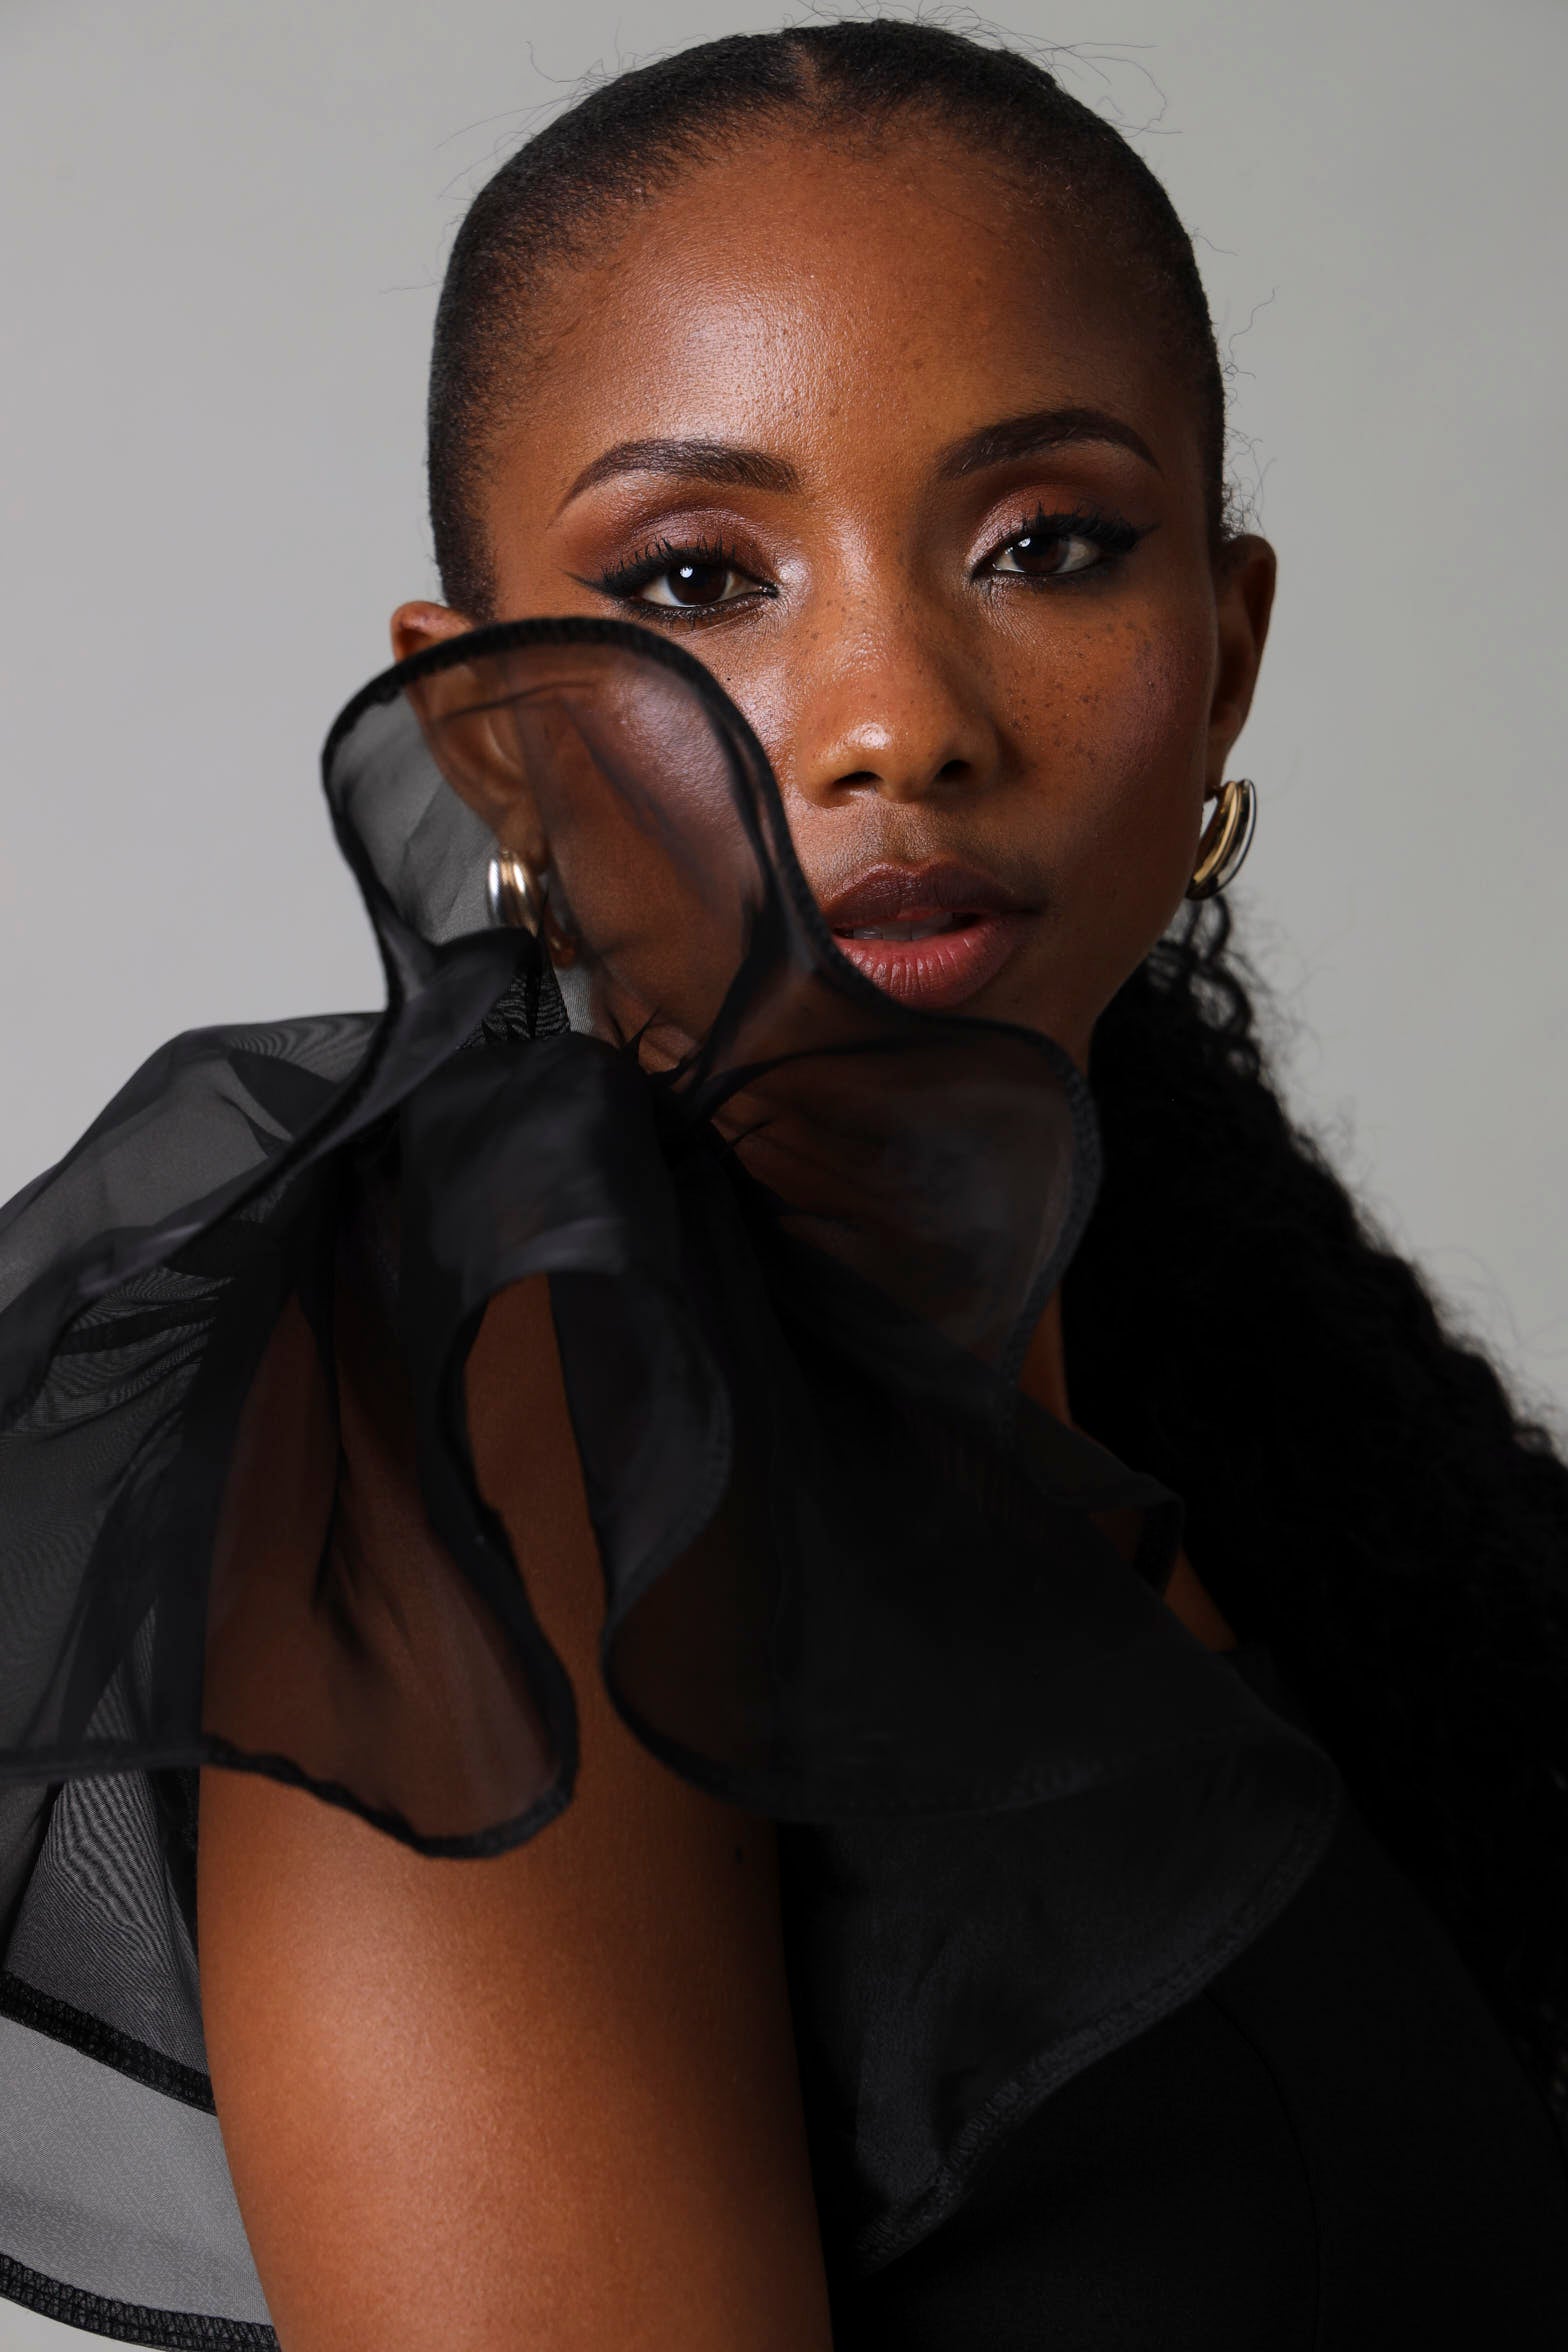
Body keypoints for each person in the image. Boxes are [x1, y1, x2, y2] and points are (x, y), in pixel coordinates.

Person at [0, 16, 1565, 2349]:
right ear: (486, 734)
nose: (896, 715)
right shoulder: (499, 1460)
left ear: (1224, 654)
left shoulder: (1241, 1425)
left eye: (1045, 547)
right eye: (696, 578)